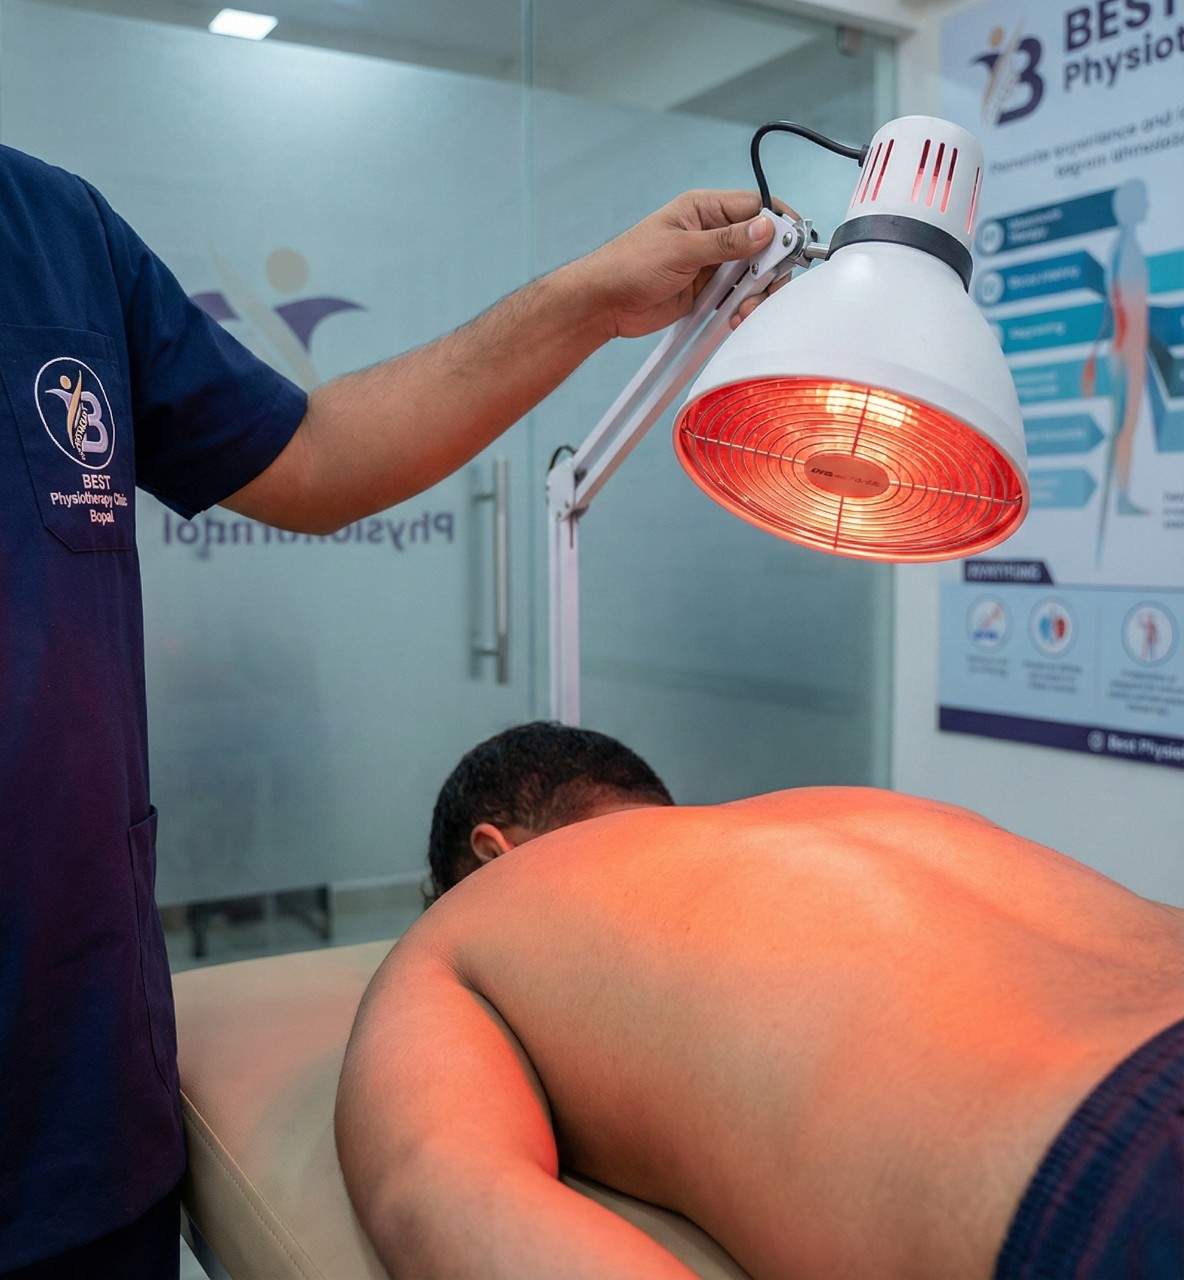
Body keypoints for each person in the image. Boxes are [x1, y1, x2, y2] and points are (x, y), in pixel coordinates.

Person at [0, 134, 786, 1277]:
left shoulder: (53, 230)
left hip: (70, 1100)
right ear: (500, 856)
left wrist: (588, 296)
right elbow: (440, 1177)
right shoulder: (458, 1024)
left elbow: (312, 454)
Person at [338, 779, 1184, 1280]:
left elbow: (438, 1191)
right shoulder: (863, 806)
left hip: (1115, 1157)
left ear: (491, 850)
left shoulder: (469, 920)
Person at [424, 721, 673, 906]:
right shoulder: (414, 973)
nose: (663, 898)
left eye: (673, 866)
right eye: (623, 871)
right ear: (496, 863)